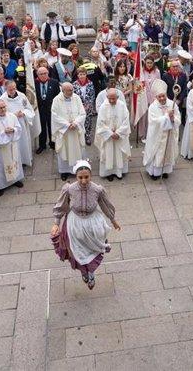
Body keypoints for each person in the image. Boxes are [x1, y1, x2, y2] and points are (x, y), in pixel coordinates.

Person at [51, 160, 120, 289]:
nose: (83, 181)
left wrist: (113, 220)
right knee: (77, 251)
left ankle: (91, 273)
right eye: (80, 177)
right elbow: (61, 206)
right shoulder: (69, 189)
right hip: (75, 224)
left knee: (92, 250)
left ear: (91, 175)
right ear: (76, 177)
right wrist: (56, 223)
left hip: (92, 224)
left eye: (86, 177)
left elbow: (105, 205)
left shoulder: (97, 190)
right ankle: (84, 272)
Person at [142, 79, 180, 179]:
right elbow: (154, 121)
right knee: (157, 153)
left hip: (169, 134)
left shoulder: (172, 104)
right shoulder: (153, 107)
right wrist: (167, 116)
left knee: (167, 152)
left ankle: (165, 170)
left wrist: (173, 118)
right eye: (160, 96)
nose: (162, 98)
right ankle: (154, 172)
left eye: (164, 95)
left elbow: (178, 119)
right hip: (157, 136)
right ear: (156, 97)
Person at [0, 100, 25, 193]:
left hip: (12, 146)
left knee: (14, 162)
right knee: (1, 167)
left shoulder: (12, 116)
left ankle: (15, 180)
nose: (3, 109)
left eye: (4, 107)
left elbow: (19, 128)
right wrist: (4, 132)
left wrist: (13, 130)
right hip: (1, 149)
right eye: (0, 108)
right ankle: (1, 186)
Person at [52, 82, 87, 181]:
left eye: (72, 90)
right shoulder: (56, 100)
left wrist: (75, 123)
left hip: (75, 130)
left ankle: (78, 169)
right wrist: (67, 125)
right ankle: (64, 171)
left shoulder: (76, 98)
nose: (72, 92)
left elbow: (82, 113)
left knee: (77, 149)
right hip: (64, 132)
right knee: (64, 150)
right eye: (69, 90)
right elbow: (55, 116)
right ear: (63, 91)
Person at [94, 89, 131, 181]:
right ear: (107, 97)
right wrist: (110, 133)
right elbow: (100, 124)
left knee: (119, 153)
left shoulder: (122, 106)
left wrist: (118, 133)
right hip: (108, 137)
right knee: (108, 153)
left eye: (113, 99)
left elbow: (126, 121)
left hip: (119, 136)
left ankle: (119, 172)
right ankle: (108, 173)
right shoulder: (103, 107)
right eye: (109, 98)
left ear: (117, 97)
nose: (111, 101)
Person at [0, 80, 38, 167]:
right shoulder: (3, 99)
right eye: (10, 89)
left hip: (22, 123)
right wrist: (13, 115)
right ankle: (17, 161)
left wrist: (24, 113)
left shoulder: (21, 96)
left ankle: (26, 160)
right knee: (15, 144)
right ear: (6, 89)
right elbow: (1, 114)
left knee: (24, 142)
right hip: (11, 125)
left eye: (14, 88)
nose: (13, 91)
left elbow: (29, 109)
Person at [34, 67, 61, 154]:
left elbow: (57, 97)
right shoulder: (34, 83)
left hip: (51, 109)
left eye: (45, 73)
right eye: (41, 74)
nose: (43, 75)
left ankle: (52, 143)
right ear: (38, 75)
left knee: (51, 126)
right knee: (41, 127)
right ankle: (42, 145)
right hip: (40, 109)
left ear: (48, 73)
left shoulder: (54, 82)